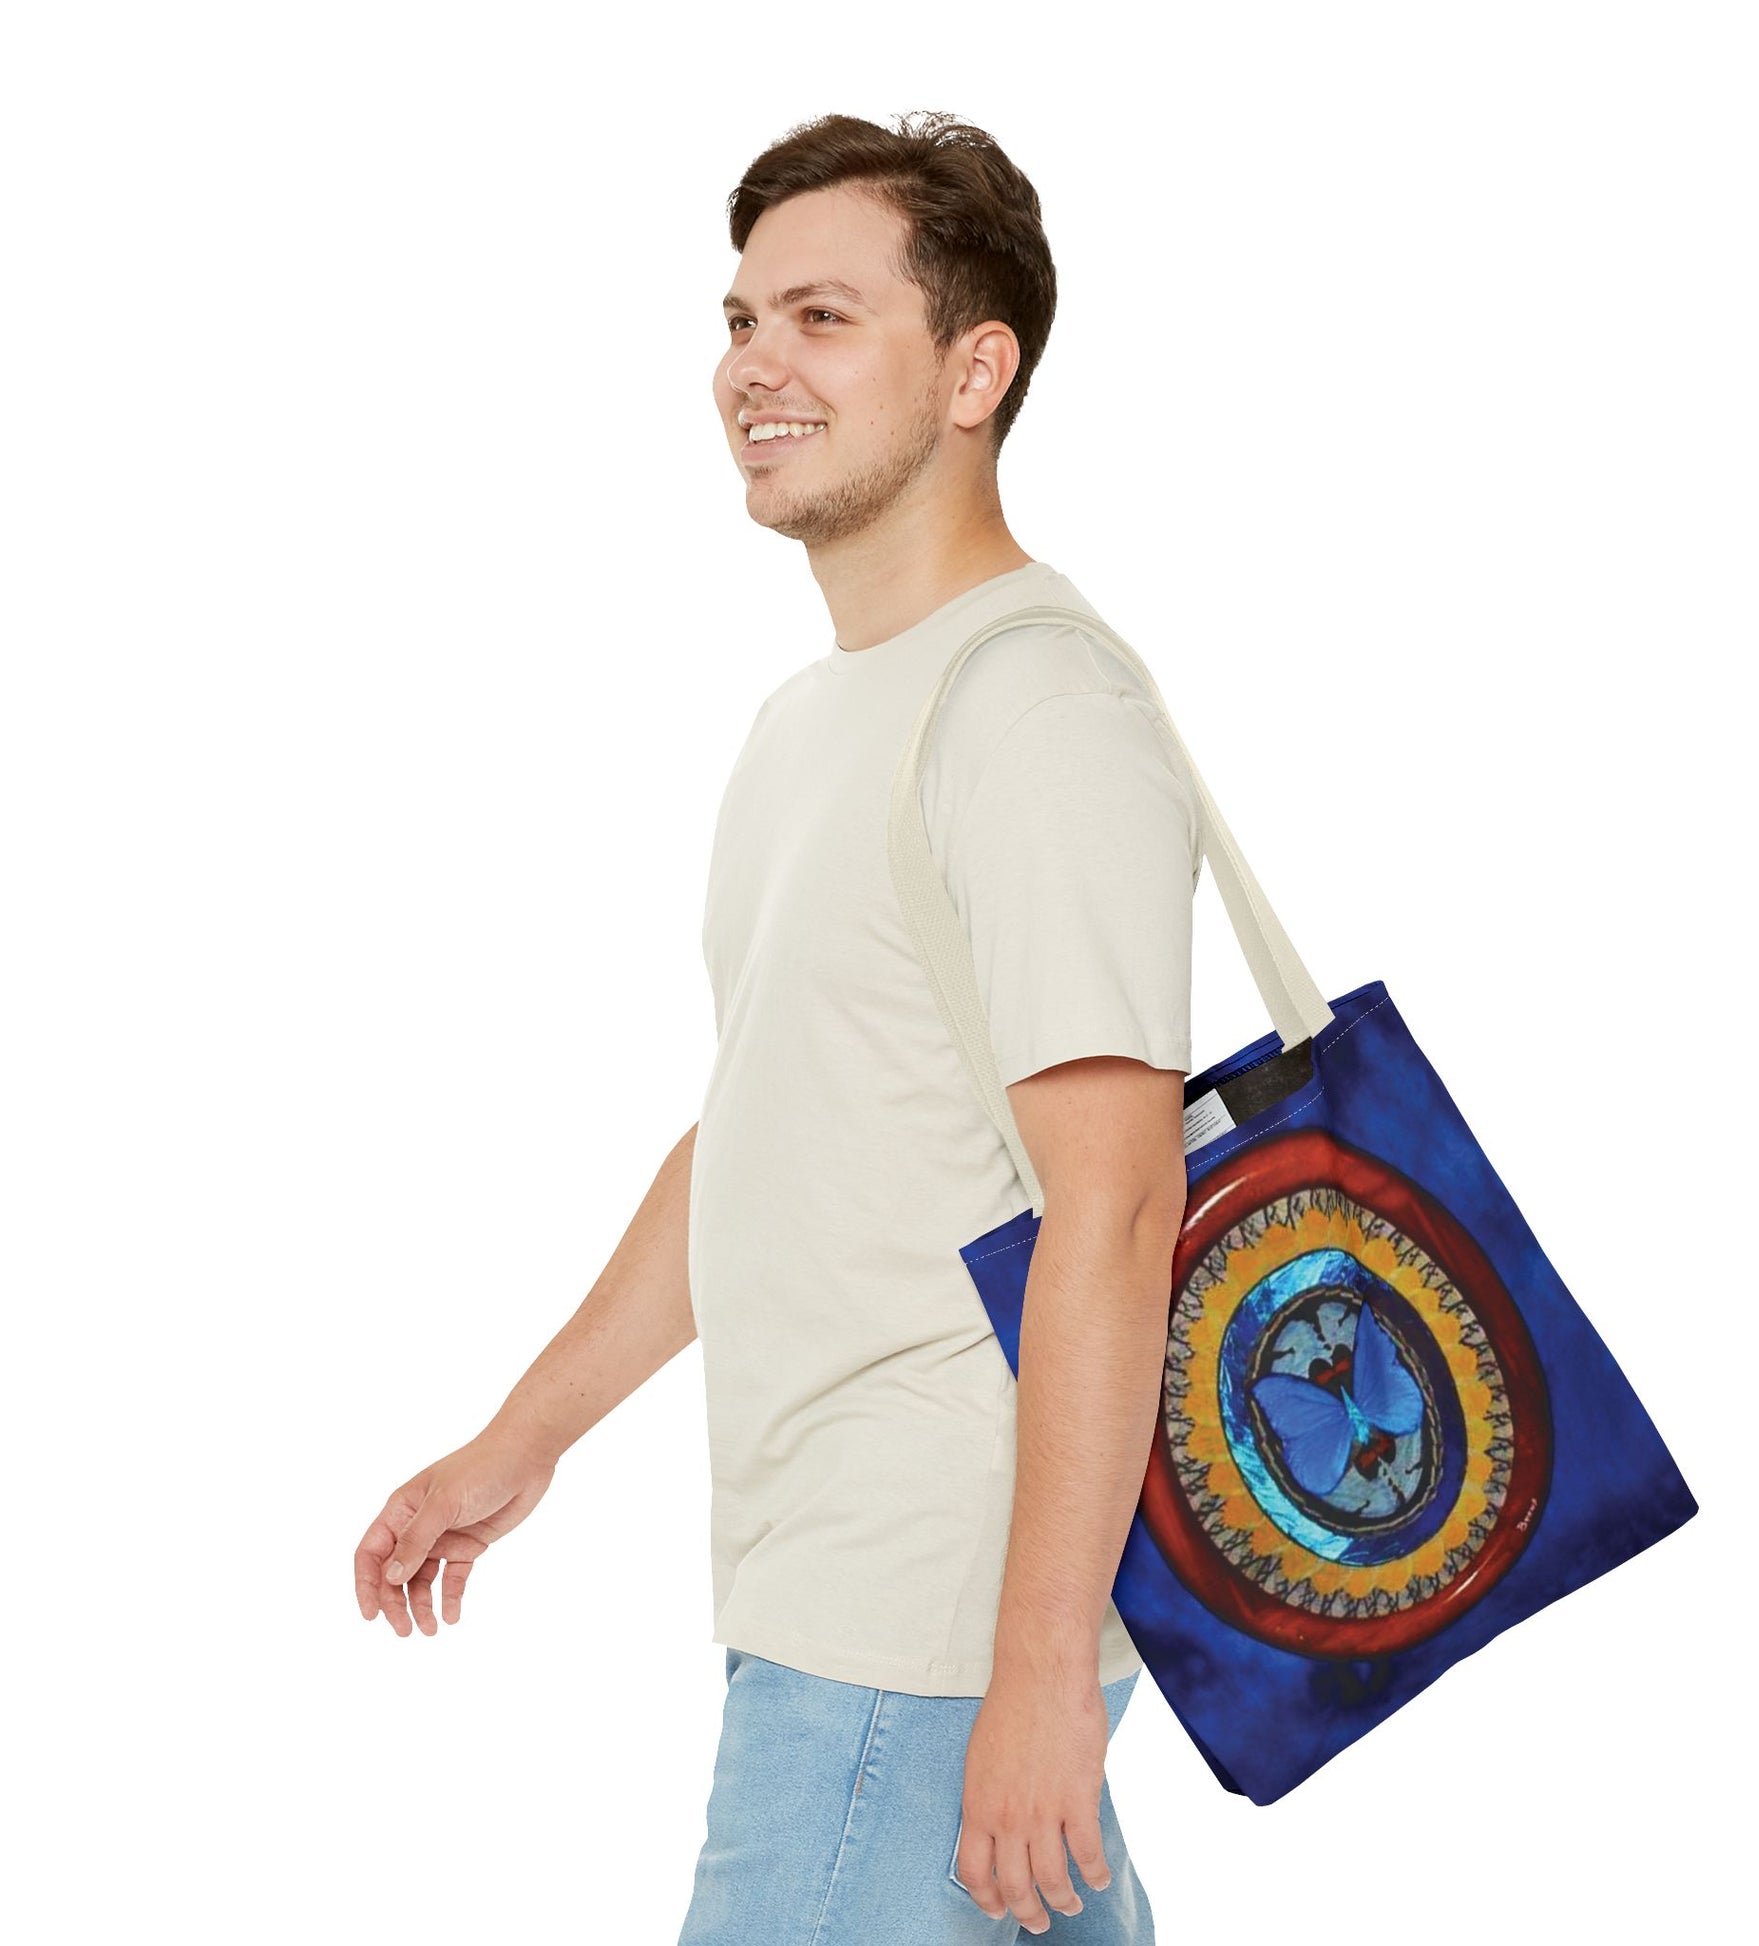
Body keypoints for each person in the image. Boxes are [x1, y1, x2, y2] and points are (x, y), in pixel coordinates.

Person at [353, 109, 1205, 1943]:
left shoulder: (1032, 710)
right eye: (741, 319)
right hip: (842, 1599)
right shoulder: (815, 722)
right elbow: (766, 1130)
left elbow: (1119, 1202)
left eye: (823, 317)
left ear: (974, 371)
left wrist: (1036, 1678)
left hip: (915, 1632)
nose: (754, 365)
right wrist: (523, 1439)